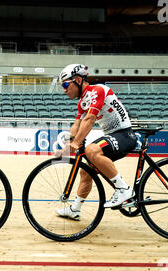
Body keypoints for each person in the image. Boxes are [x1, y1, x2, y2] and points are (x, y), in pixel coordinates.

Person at [55, 64, 137, 220]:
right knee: (85, 171)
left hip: (124, 134)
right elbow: (77, 124)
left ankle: (124, 190)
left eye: (66, 84)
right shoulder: (82, 102)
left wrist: (76, 143)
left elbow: (90, 119)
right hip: (114, 135)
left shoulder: (97, 90)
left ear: (78, 80)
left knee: (92, 150)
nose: (64, 89)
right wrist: (69, 144)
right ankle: (75, 209)